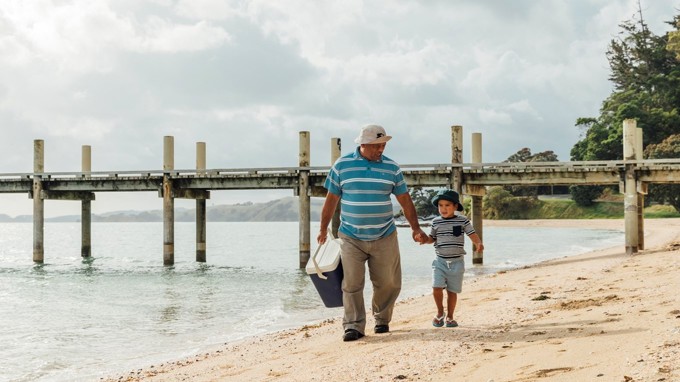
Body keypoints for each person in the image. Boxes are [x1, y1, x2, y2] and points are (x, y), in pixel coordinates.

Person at [317, 124, 427, 342]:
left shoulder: (392, 168)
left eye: (383, 145)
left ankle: (382, 319)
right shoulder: (342, 166)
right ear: (364, 144)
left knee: (388, 282)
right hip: (350, 236)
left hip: (384, 234)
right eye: (377, 146)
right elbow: (331, 200)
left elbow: (404, 200)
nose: (381, 149)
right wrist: (322, 229)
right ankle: (353, 325)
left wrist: (415, 228)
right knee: (351, 283)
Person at [419, 189, 483, 328]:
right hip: (440, 261)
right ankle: (440, 312)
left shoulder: (463, 221)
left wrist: (478, 243)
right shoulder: (436, 222)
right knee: (436, 287)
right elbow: (432, 239)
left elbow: (472, 233)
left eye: (447, 205)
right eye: (440, 205)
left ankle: (450, 317)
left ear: (455, 206)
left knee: (452, 291)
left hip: (457, 262)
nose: (443, 208)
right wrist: (424, 240)